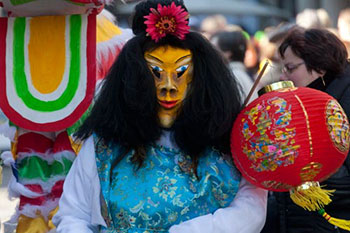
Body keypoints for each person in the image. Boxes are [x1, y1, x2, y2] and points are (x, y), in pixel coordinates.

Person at [52, 0, 267, 232]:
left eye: (180, 73)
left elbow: (250, 209)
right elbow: (74, 215)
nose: (168, 87)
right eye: (155, 73)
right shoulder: (103, 146)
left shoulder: (226, 143)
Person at [263, 27, 350, 233]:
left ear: (319, 67)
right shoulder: (307, 100)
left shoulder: (341, 101)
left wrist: (299, 172)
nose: (284, 75)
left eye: (291, 68)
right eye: (283, 68)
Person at [210, 30, 257, 101]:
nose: (209, 53)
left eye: (214, 49)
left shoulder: (232, 76)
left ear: (228, 53)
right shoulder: (238, 74)